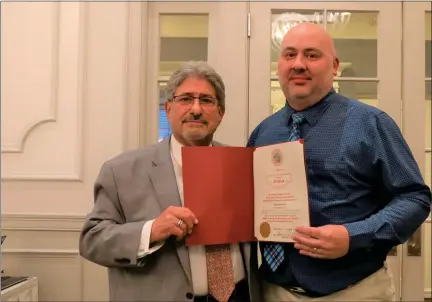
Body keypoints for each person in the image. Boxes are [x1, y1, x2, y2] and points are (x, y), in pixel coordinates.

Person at [247, 22, 432, 301]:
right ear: (279, 66)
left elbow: (415, 198)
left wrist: (353, 235)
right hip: (274, 291)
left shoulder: (371, 124)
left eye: (311, 55)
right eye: (289, 55)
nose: (298, 64)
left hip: (354, 291)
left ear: (334, 66)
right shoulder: (263, 133)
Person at [79, 61, 262, 302]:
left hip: (239, 295)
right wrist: (150, 231)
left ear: (221, 112)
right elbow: (91, 241)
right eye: (186, 99)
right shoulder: (121, 170)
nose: (196, 109)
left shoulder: (243, 164)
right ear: (168, 108)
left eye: (206, 100)